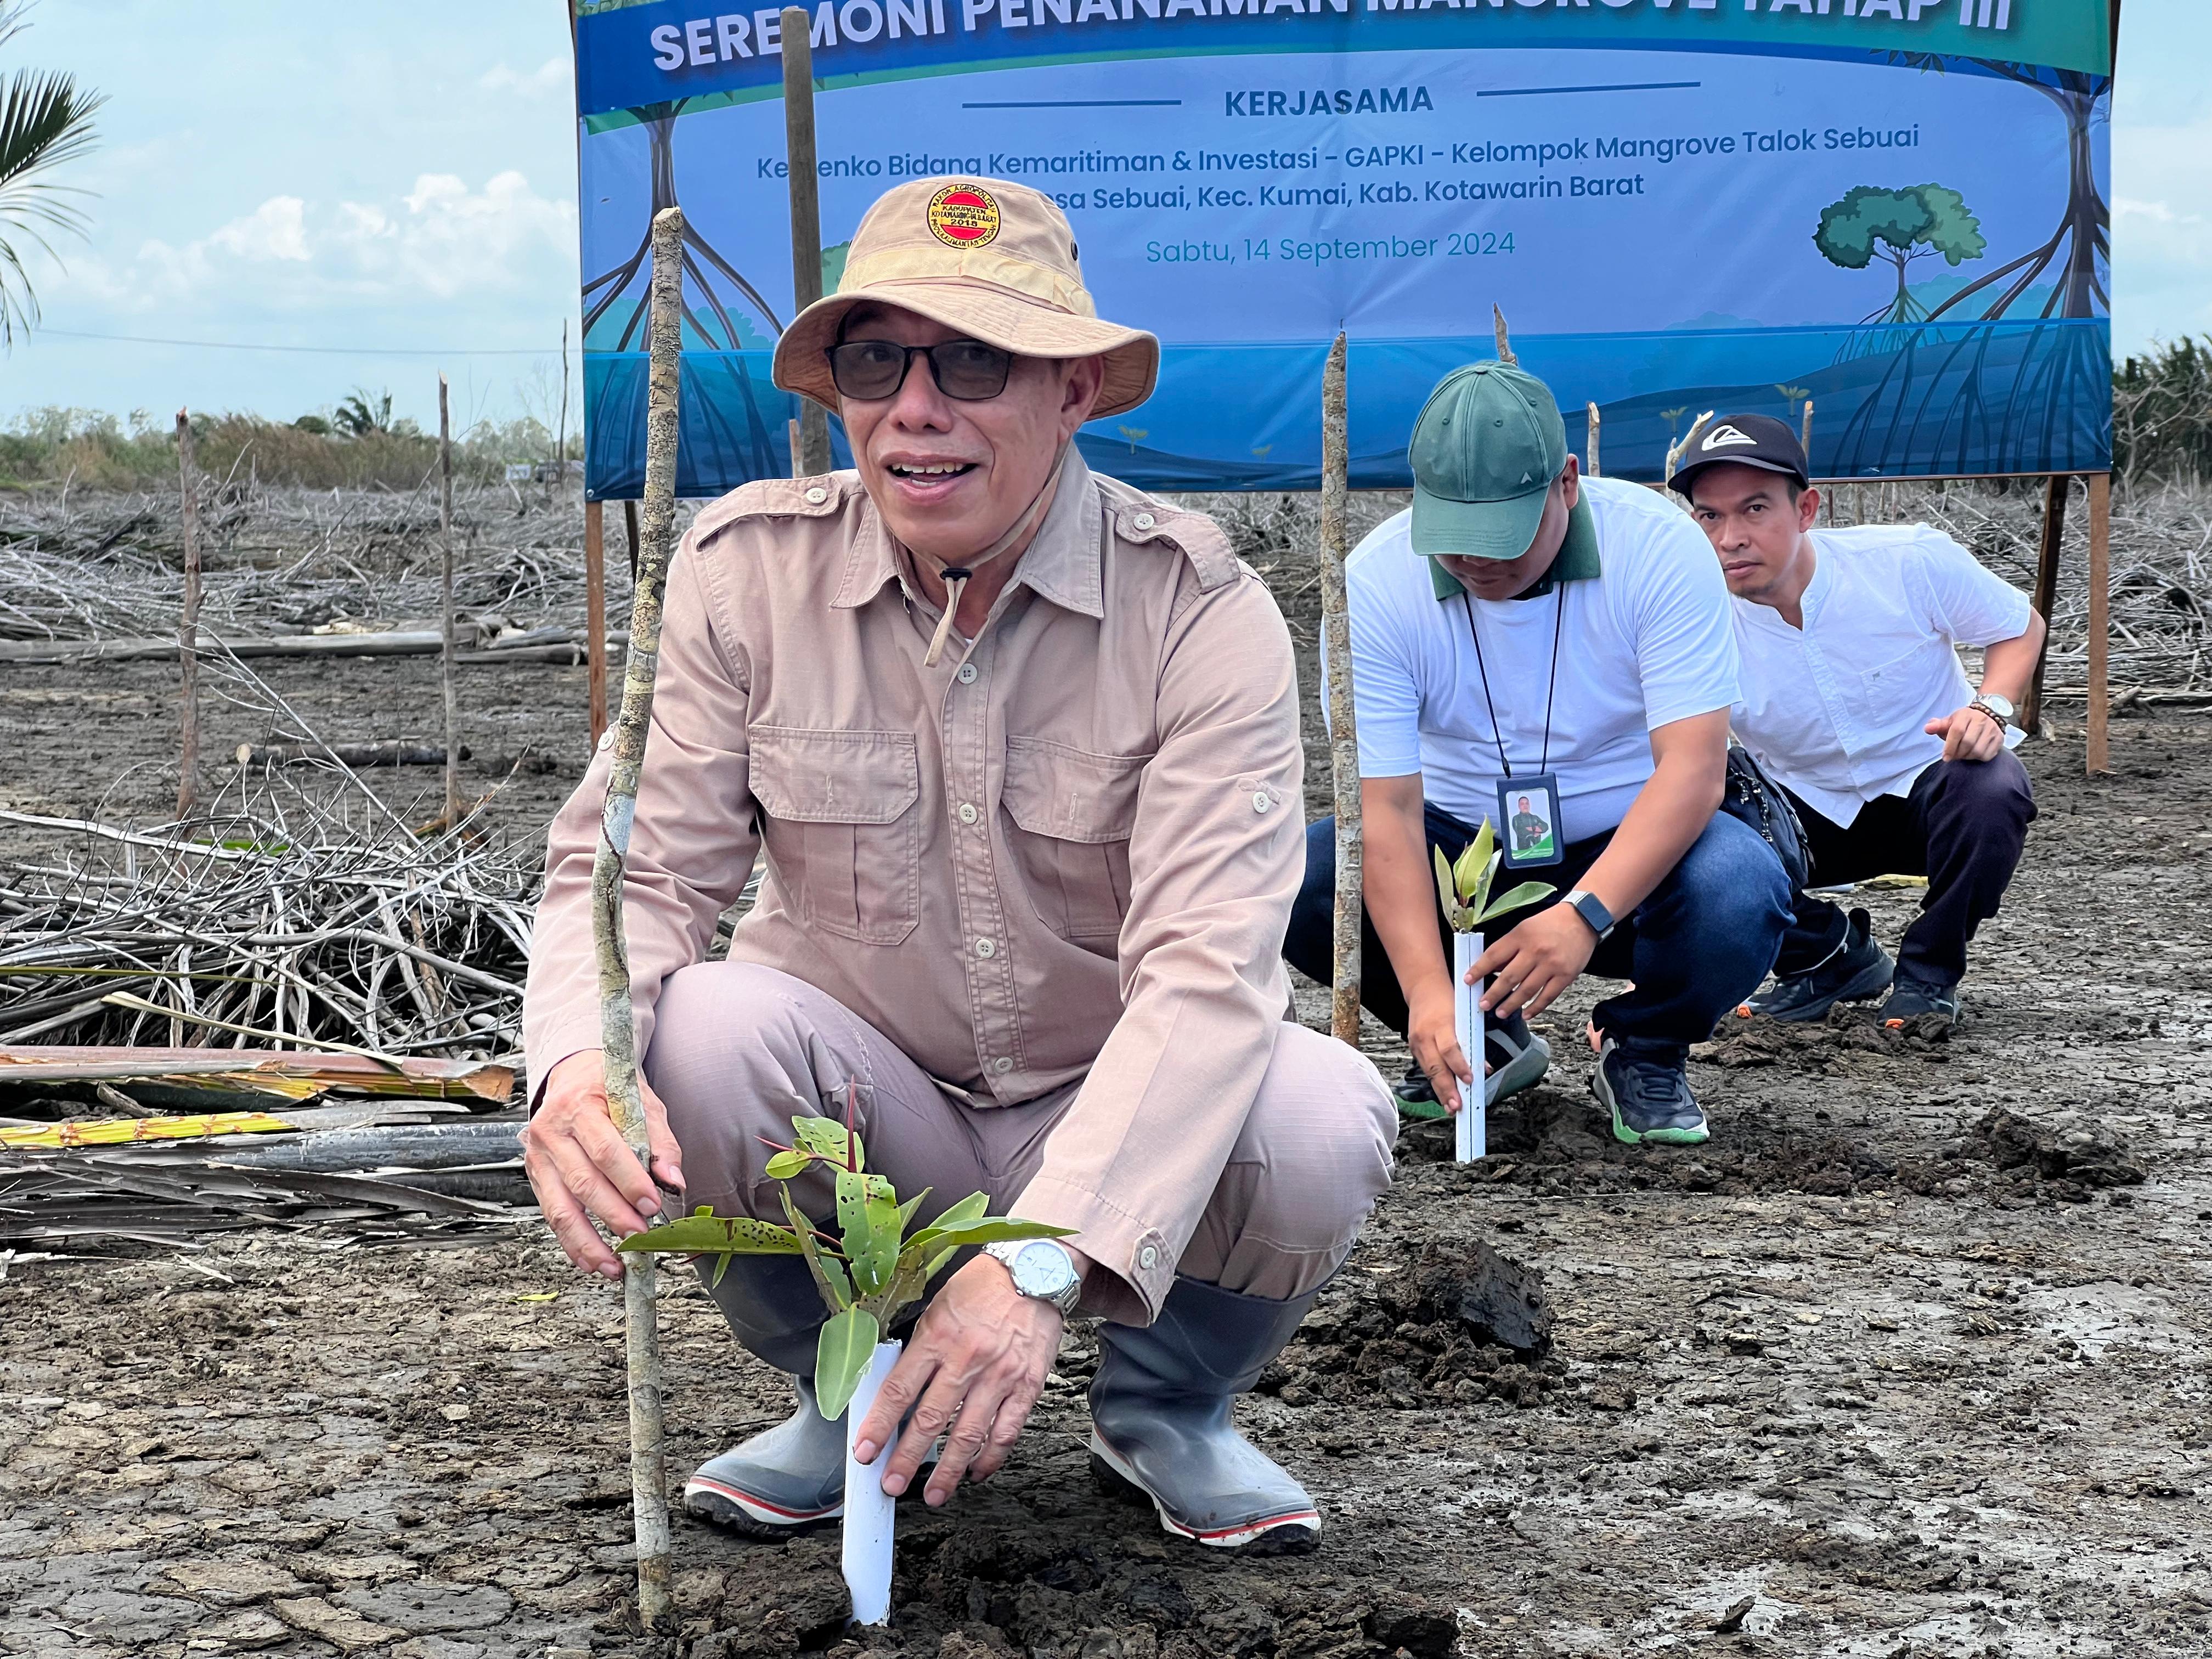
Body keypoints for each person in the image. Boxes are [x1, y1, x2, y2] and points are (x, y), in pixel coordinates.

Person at [519, 178, 1395, 1555]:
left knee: (1317, 1115)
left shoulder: (1199, 611)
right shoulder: (746, 572)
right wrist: (575, 1064)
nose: (916, 409)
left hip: (1099, 1103)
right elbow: (632, 882)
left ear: (1078, 389)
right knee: (683, 1031)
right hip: (875, 1108)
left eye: (975, 360)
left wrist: (1038, 1259)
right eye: (878, 361)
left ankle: (1167, 1407)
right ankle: (845, 1388)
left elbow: (1209, 978)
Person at [1285, 361, 1792, 1147]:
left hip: (1634, 846)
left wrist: (1584, 914)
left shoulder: (1658, 549)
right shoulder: (1375, 588)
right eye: (1454, 542)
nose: (1479, 564)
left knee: (1740, 883)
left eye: (1504, 539)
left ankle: (1645, 1048)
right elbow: (1385, 810)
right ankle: (1480, 1041)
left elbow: (1693, 769)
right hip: (1461, 852)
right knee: (1309, 874)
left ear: (1566, 483)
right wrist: (1425, 994)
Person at [1671, 414, 2044, 1026]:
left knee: (1994, 784)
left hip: (1929, 791)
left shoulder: (1906, 562)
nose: (1730, 537)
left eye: (1755, 509)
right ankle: (1830, 956)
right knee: (1685, 806)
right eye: (1710, 516)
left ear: (1808, 509)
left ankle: (1929, 976)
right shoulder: (1692, 620)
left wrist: (1990, 708)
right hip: (1803, 816)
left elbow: (2020, 624)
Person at [1510, 793, 1551, 857]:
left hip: (1537, 851)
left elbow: (1546, 826)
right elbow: (1521, 832)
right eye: (1522, 804)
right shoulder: (1516, 818)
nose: (1525, 806)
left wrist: (1532, 829)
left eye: (1527, 803)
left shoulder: (1535, 818)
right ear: (1519, 806)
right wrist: (1537, 831)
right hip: (1523, 852)